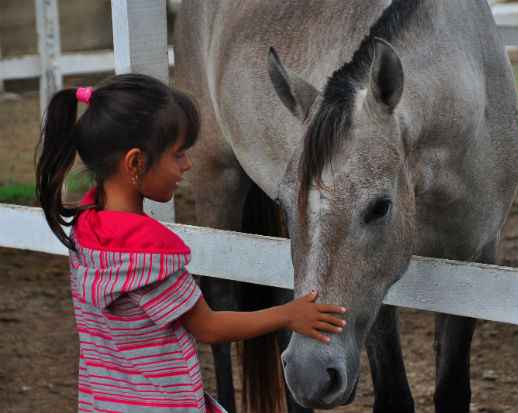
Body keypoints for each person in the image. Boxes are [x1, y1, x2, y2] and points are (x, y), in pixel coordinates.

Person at [35, 73, 347, 413]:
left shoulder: (85, 229)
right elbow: (209, 327)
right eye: (178, 154)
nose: (187, 164)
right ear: (136, 163)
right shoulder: (148, 254)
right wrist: (288, 314)